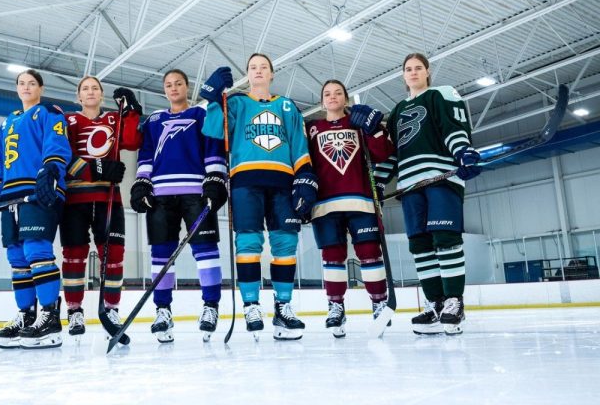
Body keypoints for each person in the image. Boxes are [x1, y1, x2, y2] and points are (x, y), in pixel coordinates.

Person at [200, 53, 316, 341]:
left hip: (282, 182)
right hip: (245, 181)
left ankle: (283, 306)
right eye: (253, 67)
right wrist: (212, 97)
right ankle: (251, 305)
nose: (259, 70)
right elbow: (212, 129)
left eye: (264, 66)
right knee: (248, 242)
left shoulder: (288, 106)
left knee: (285, 243)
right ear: (247, 74)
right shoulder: (236, 103)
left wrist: (305, 179)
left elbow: (300, 146)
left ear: (272, 73)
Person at [0, 69, 71, 349]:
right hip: (9, 199)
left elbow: (56, 144)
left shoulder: (48, 112)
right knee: (18, 259)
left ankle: (50, 317)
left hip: (37, 193)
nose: (26, 87)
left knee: (37, 252)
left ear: (41, 88)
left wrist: (50, 170)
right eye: (21, 83)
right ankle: (27, 316)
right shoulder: (7, 122)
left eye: (31, 83)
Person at [373, 53, 481, 335]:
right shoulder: (396, 111)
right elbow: (393, 152)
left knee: (445, 239)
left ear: (427, 71)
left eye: (418, 68)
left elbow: (453, 128)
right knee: (420, 246)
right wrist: (378, 181)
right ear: (403, 75)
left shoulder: (440, 95)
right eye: (408, 69)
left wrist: (463, 153)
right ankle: (436, 304)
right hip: (410, 185)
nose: (413, 72)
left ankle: (455, 301)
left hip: (439, 177)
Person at [130, 69, 227, 343]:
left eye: (178, 84)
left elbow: (212, 147)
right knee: (161, 254)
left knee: (206, 250)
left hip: (196, 191)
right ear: (164, 90)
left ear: (188, 87)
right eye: (169, 85)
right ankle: (163, 311)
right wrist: (141, 183)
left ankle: (210, 306)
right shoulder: (154, 120)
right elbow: (146, 154)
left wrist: (216, 177)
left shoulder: (200, 115)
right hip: (161, 195)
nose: (173, 88)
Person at [306, 80, 395, 338]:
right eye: (327, 94)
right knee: (332, 257)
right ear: (322, 101)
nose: (332, 97)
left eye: (337, 93)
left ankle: (379, 302)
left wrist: (373, 129)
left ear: (345, 99)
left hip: (360, 199)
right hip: (324, 204)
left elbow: (383, 153)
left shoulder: (358, 124)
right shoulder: (312, 128)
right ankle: (336, 306)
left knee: (369, 252)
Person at [59, 76, 142, 338]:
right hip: (75, 200)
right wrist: (98, 168)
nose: (90, 91)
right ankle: (74, 311)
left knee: (113, 255)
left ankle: (111, 309)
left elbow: (131, 141)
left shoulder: (113, 120)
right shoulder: (69, 120)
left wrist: (132, 112)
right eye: (85, 88)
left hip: (109, 198)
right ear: (79, 96)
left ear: (102, 95)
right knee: (74, 255)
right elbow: (64, 154)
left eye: (95, 88)